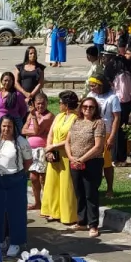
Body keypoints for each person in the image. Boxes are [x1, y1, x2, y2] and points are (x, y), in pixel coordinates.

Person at [0, 115, 33, 258]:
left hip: (16, 179)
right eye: (4, 126)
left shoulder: (21, 142)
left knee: (16, 212)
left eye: (9, 126)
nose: (6, 129)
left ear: (14, 128)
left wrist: (18, 175)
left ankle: (16, 241)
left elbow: (28, 161)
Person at [68, 97, 106, 237]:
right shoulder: (76, 121)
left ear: (95, 109)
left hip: (92, 163)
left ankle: (93, 224)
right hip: (74, 162)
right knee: (79, 193)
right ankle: (81, 221)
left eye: (91, 107)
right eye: (85, 106)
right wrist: (72, 157)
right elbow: (67, 141)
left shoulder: (98, 123)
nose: (87, 109)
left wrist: (82, 159)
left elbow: (98, 146)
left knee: (91, 193)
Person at [41, 91, 79, 225]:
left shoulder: (76, 118)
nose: (59, 105)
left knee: (66, 185)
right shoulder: (59, 116)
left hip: (66, 154)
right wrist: (48, 148)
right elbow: (51, 133)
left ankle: (67, 214)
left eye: (61, 103)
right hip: (54, 154)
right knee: (53, 183)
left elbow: (71, 138)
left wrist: (53, 146)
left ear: (67, 104)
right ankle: (53, 211)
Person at [89, 75, 121, 199]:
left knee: (106, 163)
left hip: (106, 133)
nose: (91, 88)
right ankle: (94, 188)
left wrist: (112, 136)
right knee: (93, 162)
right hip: (92, 133)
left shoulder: (113, 98)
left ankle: (109, 189)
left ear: (101, 85)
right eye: (90, 86)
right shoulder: (91, 96)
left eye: (94, 85)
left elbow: (116, 118)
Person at [21, 91, 53, 211]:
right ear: (34, 104)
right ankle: (37, 202)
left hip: (41, 149)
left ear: (47, 103)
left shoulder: (48, 116)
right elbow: (23, 130)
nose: (40, 106)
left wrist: (34, 117)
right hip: (30, 150)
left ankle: (47, 204)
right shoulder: (31, 114)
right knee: (33, 178)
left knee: (42, 178)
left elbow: (37, 131)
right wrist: (32, 129)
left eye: (43, 104)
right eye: (38, 104)